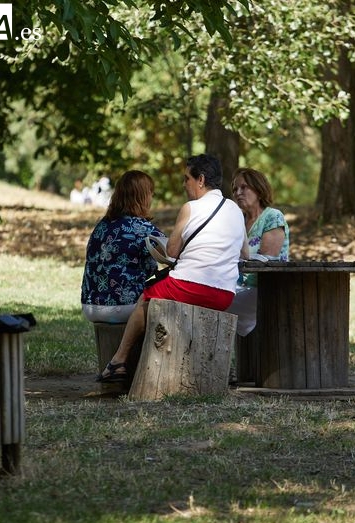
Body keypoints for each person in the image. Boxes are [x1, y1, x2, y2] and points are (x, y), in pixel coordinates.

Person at [97, 154, 249, 382]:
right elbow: (245, 253)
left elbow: (173, 251)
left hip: (189, 286)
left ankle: (118, 361)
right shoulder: (235, 210)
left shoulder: (190, 208)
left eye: (186, 178)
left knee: (145, 299)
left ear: (201, 180)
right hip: (225, 294)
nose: (184, 184)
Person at [81, 170, 166, 324]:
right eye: (150, 194)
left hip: (89, 305)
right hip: (122, 306)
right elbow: (171, 252)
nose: (151, 198)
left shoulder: (102, 225)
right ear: (142, 197)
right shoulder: (141, 227)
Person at [226, 167, 290, 337]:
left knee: (210, 302)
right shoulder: (238, 221)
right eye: (234, 189)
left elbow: (266, 259)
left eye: (243, 187)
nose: (238, 193)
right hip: (238, 287)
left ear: (259, 189)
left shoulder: (272, 217)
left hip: (264, 290)